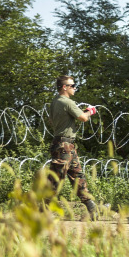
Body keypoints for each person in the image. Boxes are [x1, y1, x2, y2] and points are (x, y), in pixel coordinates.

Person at [48, 75, 98, 220]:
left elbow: (51, 120)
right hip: (64, 145)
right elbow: (83, 118)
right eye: (73, 85)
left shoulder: (55, 102)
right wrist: (90, 111)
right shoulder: (67, 102)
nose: (75, 88)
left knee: (77, 176)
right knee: (56, 179)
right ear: (65, 87)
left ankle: (91, 207)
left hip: (65, 144)